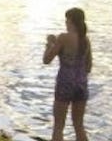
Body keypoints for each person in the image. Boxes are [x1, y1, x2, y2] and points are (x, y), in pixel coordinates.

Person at [43, 7, 92, 141]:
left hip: (65, 84)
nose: (66, 23)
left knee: (58, 126)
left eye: (67, 20)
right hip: (81, 84)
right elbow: (88, 66)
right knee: (79, 126)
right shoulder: (85, 40)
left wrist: (49, 44)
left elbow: (47, 60)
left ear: (71, 21)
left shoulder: (63, 37)